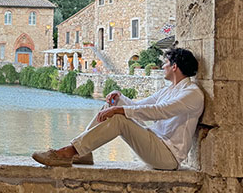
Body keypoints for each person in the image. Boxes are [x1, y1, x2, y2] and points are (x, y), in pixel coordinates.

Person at [32, 48, 203, 170]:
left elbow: (159, 111)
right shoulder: (169, 90)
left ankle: (67, 153)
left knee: (119, 118)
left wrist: (119, 111)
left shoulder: (192, 94)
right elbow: (139, 107)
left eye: (165, 63)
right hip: (155, 142)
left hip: (167, 156)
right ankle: (84, 153)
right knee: (112, 105)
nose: (162, 67)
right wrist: (119, 99)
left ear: (174, 67)